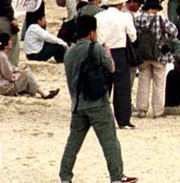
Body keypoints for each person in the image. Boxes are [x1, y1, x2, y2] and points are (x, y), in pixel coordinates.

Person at [59, 15, 138, 183]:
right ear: (92, 32)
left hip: (77, 104)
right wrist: (108, 53)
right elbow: (111, 68)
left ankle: (65, 176)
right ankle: (117, 176)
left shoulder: (69, 52)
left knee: (73, 143)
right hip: (97, 103)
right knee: (110, 142)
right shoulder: (94, 48)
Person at [95, 0, 137, 129]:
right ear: (120, 3)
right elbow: (133, 36)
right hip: (119, 52)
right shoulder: (125, 17)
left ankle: (99, 118)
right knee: (122, 89)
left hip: (102, 50)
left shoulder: (99, 16)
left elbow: (95, 36)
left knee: (103, 87)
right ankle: (123, 120)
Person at [133, 0, 178, 119]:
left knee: (143, 81)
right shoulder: (160, 19)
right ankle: (157, 111)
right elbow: (174, 31)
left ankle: (142, 109)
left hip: (143, 54)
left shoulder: (138, 19)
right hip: (159, 55)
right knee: (159, 83)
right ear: (156, 8)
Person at [0, 33, 57, 99]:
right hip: (1, 87)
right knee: (27, 74)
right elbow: (9, 76)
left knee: (25, 74)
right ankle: (44, 93)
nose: (11, 42)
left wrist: (18, 70)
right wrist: (19, 74)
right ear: (5, 45)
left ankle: (40, 92)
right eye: (9, 41)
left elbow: (8, 69)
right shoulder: (2, 56)